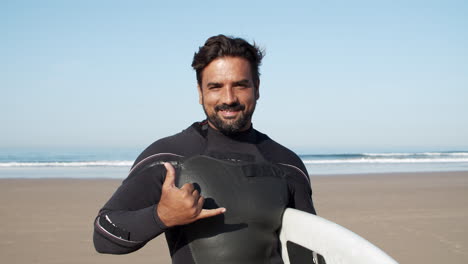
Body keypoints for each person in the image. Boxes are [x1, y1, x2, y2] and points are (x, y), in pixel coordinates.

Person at [93, 34, 317, 264]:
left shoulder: (287, 163)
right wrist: (161, 216)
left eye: (240, 85)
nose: (229, 98)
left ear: (256, 89)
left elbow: (307, 250)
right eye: (215, 87)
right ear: (200, 92)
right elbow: (104, 234)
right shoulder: (170, 155)